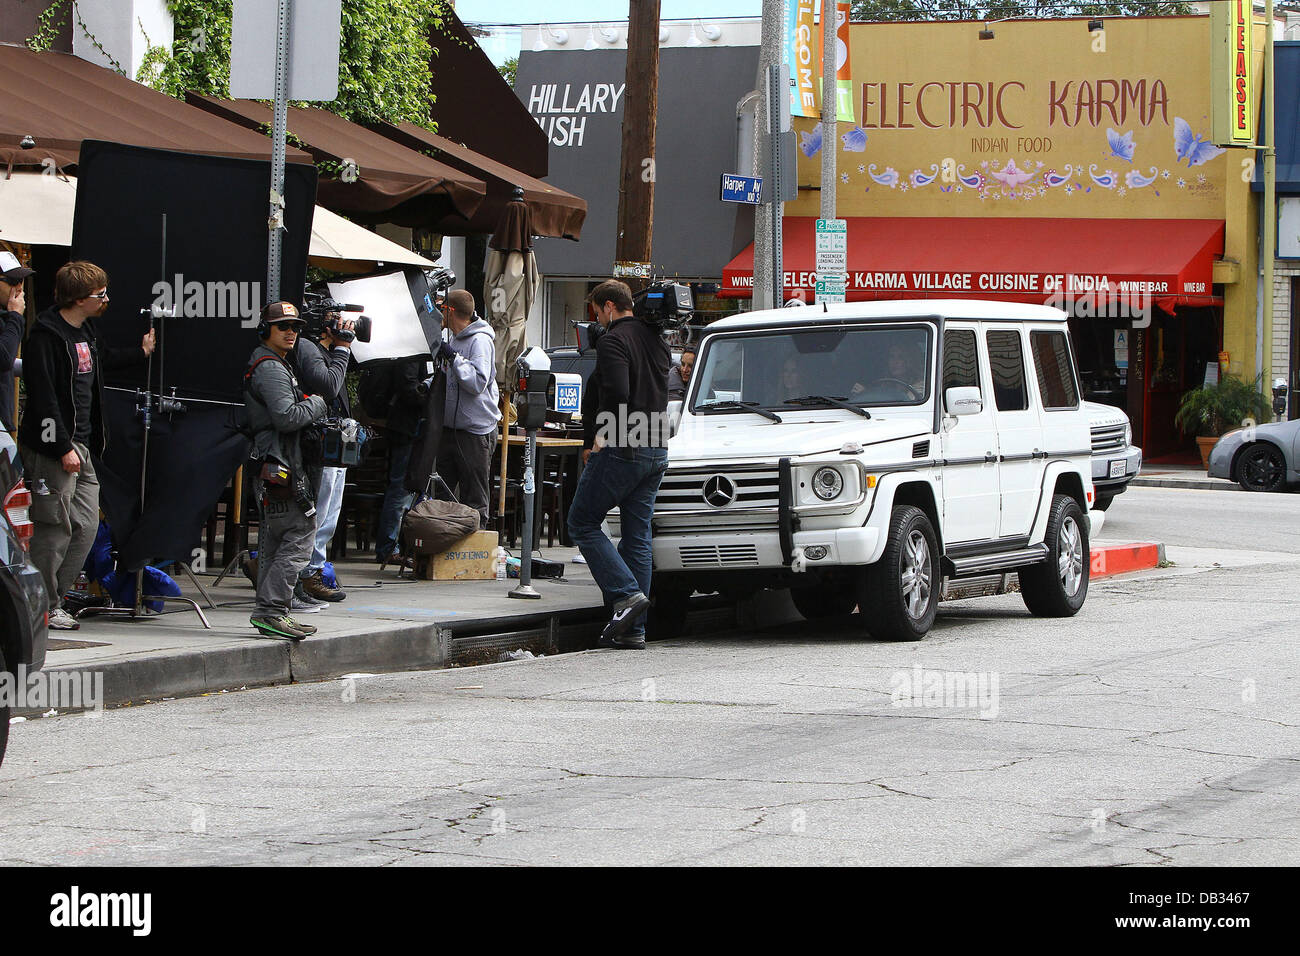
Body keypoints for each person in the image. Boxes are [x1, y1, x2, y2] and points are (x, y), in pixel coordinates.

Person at [17, 261, 154, 630]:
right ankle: (41, 606)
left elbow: (102, 360)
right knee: (54, 526)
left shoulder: (86, 330)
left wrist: (140, 353)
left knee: (86, 525)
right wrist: (61, 446)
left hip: (82, 444)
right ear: (79, 299)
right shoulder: (45, 336)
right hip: (55, 446)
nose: (106, 299)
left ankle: (54, 598)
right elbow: (43, 396)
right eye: (100, 294)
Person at [567, 279, 670, 650]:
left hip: (624, 445)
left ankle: (625, 595)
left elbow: (618, 393)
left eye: (596, 311)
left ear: (609, 306)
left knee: (581, 521)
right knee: (637, 536)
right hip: (656, 443)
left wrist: (600, 435)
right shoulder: (656, 339)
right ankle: (633, 629)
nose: (596, 318)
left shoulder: (614, 340)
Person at [244, 302, 328, 641]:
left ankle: (273, 612)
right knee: (300, 533)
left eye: (295, 326)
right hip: (280, 465)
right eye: (283, 327)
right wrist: (318, 402)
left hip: (275, 463)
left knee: (278, 540)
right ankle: (272, 609)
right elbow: (286, 417)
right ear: (266, 330)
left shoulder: (274, 364)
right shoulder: (271, 368)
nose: (291, 331)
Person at [289, 312, 357, 606]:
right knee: (317, 511)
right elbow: (327, 387)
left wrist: (342, 348)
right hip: (318, 441)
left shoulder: (330, 351)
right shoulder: (307, 347)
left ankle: (312, 571)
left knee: (330, 512)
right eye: (334, 318)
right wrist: (342, 348)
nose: (341, 325)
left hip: (336, 439)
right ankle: (305, 574)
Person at [435, 289, 500, 529]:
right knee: (443, 493)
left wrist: (454, 358)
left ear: (450, 310)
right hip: (451, 428)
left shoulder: (480, 340)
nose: (440, 313)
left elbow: (476, 383)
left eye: (442, 309)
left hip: (474, 431)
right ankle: (444, 551)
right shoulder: (454, 339)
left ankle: (475, 554)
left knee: (474, 497)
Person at [375, 354, 429, 565]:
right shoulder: (412, 351)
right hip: (408, 427)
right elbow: (409, 389)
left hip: (410, 426)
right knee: (401, 489)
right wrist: (430, 394)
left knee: (407, 489)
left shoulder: (417, 351)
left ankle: (397, 546)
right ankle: (389, 548)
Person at [0, 251, 34, 433]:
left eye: (22, 280)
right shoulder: (11, 316)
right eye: (13, 281)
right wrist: (15, 316)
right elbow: (4, 358)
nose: (20, 287)